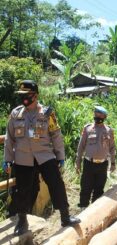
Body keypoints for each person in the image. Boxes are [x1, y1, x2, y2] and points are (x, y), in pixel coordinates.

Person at [3, 80, 80, 236]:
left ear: (36, 96)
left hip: (44, 156)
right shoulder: (15, 114)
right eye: (22, 95)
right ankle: (22, 221)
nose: (24, 98)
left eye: (27, 95)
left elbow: (56, 135)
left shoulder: (47, 113)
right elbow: (9, 139)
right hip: (23, 158)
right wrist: (7, 159)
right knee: (22, 190)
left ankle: (65, 217)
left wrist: (60, 156)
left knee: (56, 184)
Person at [75, 106, 116, 208]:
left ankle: (95, 209)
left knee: (99, 189)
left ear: (104, 116)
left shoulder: (109, 130)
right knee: (85, 187)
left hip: (103, 164)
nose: (97, 116)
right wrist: (78, 162)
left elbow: (112, 148)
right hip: (89, 163)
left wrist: (113, 163)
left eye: (99, 114)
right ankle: (83, 208)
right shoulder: (87, 128)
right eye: (96, 114)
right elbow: (81, 147)